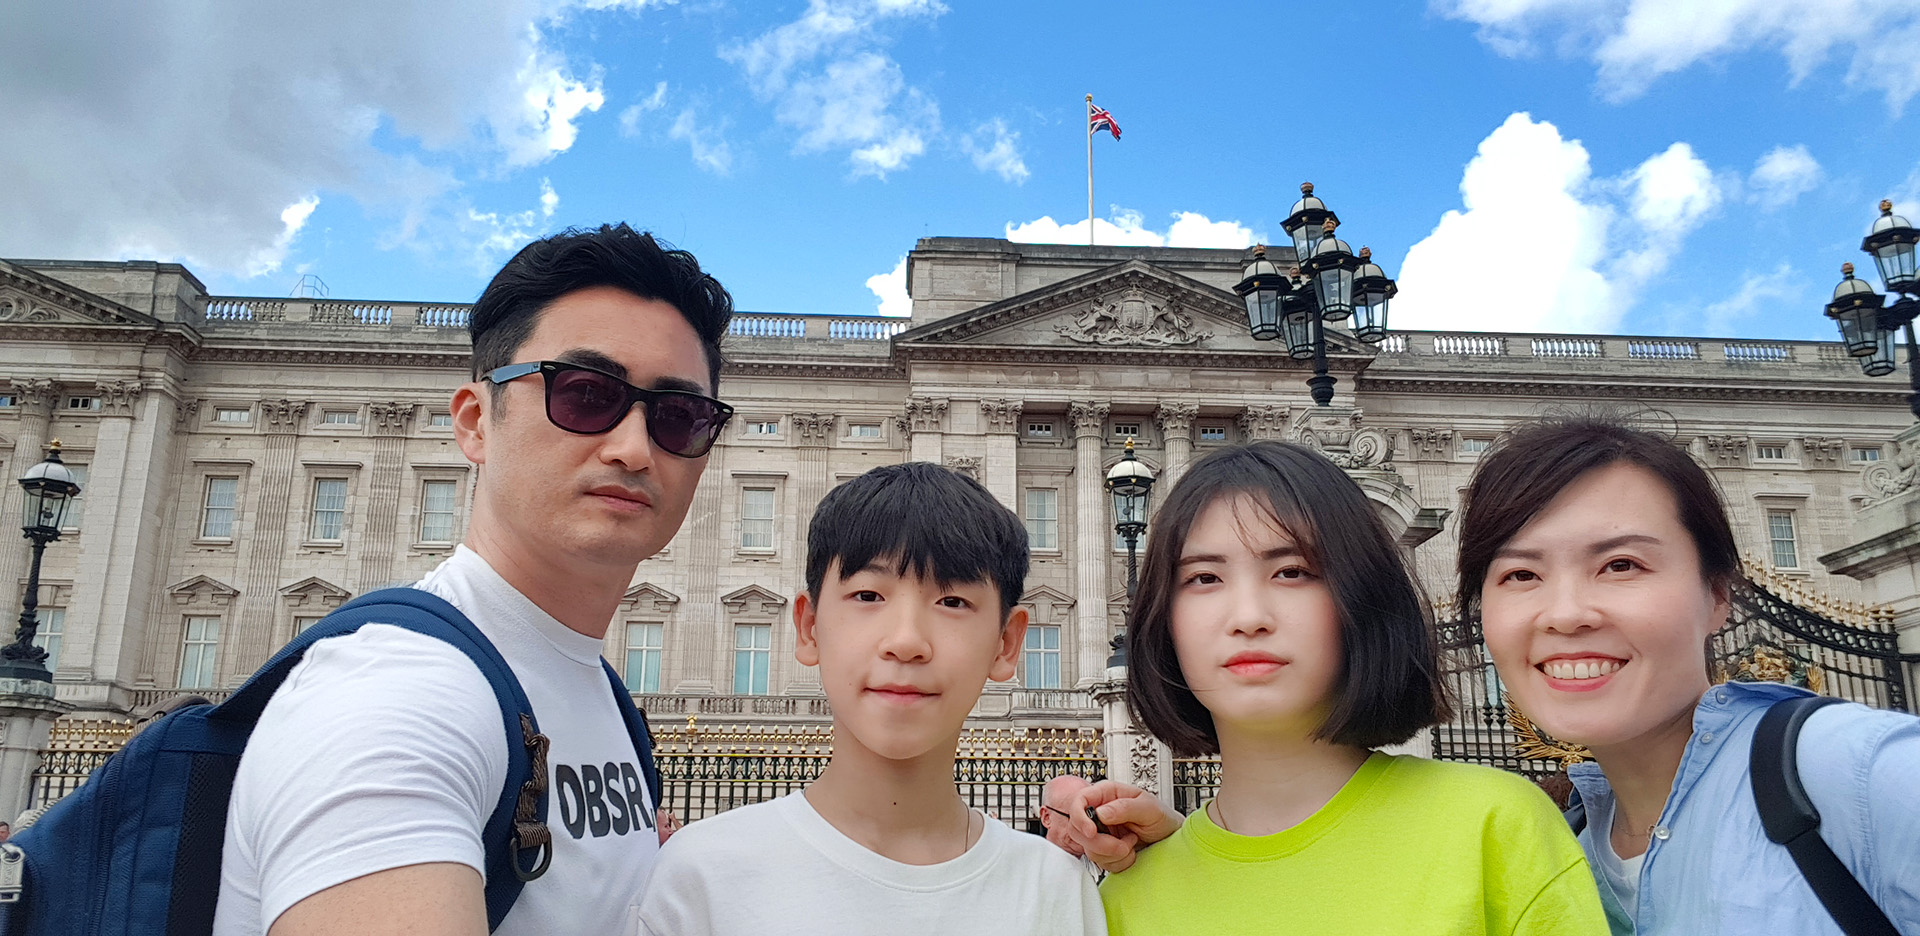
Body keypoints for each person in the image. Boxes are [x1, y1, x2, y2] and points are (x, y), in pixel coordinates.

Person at [213, 224, 734, 935]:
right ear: (475, 422)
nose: (634, 449)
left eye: (678, 416)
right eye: (584, 395)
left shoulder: (596, 690)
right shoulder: (395, 698)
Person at [1080, 441, 1608, 935]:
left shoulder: (1494, 825)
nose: (1248, 617)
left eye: (1292, 572)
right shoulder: (1124, 898)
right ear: (1164, 623)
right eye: (1204, 579)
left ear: (1360, 597)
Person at [1458, 416, 1920, 934]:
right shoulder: (1559, 844)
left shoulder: (1860, 772)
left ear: (1718, 594)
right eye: (1521, 574)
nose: (1565, 615)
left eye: (1621, 565)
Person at [636, 462, 1105, 935]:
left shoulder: (1057, 887)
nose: (906, 641)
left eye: (952, 602)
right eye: (867, 595)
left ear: (1006, 644)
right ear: (809, 627)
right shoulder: (700, 875)